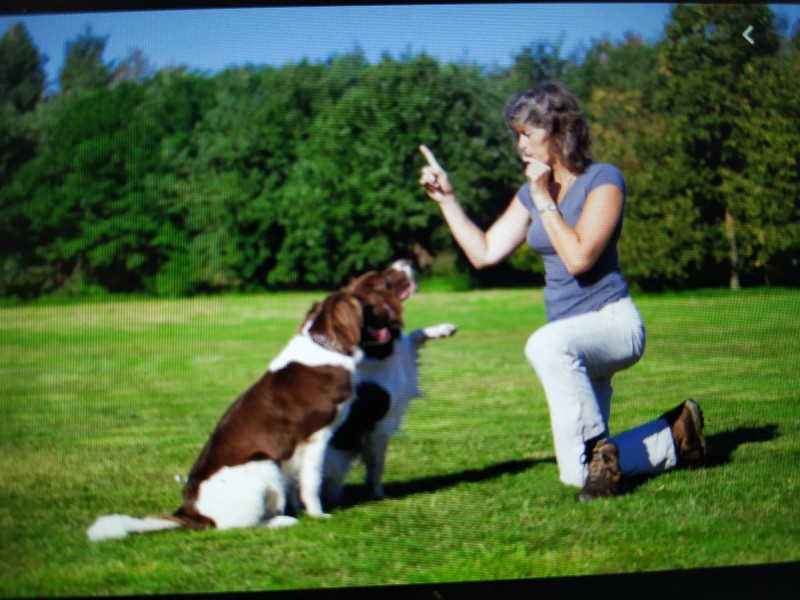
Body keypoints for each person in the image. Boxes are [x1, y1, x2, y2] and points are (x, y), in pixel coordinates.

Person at [418, 81, 705, 501]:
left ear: (559, 130)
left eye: (526, 134)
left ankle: (597, 452)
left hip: (613, 324)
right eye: (516, 134)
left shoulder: (604, 180)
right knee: (577, 477)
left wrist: (543, 197)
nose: (520, 145)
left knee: (543, 345)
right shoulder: (528, 195)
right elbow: (484, 252)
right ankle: (677, 434)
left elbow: (579, 258)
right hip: (570, 344)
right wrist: (447, 200)